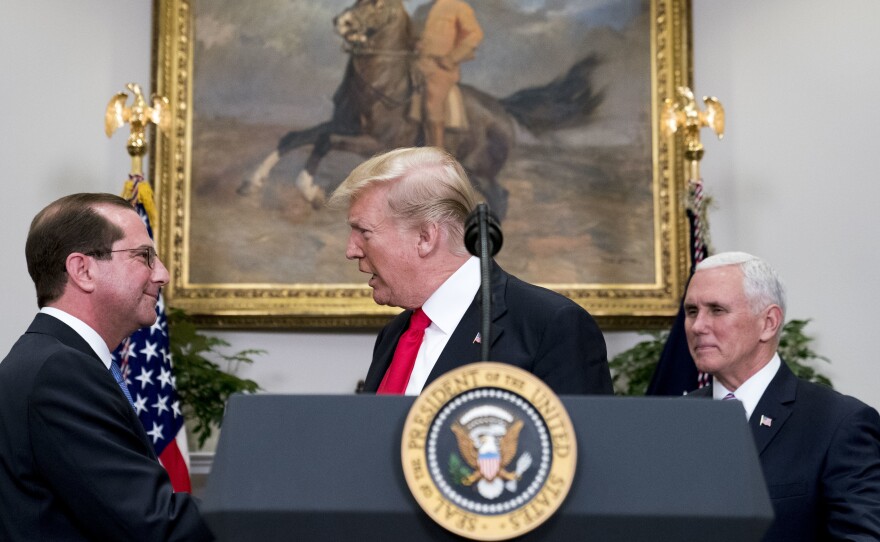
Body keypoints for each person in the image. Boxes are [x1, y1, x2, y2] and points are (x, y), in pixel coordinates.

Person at [0, 193, 214, 541]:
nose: (163, 274)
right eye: (145, 256)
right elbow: (150, 521)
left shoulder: (53, 359)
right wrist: (251, 516)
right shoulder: (59, 373)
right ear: (83, 270)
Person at [328, 146, 612, 396]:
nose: (351, 250)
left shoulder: (550, 327)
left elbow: (584, 449)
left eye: (363, 232)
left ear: (425, 237)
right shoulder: (394, 335)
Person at [683, 251, 880, 541]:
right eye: (691, 312)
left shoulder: (838, 423)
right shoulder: (673, 420)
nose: (698, 326)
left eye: (717, 310)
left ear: (769, 322)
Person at [416, 0, 484, 150]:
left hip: (440, 67)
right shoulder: (423, 9)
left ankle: (436, 151)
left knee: (432, 103)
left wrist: (452, 58)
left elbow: (475, 35)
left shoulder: (458, 6)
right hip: (416, 63)